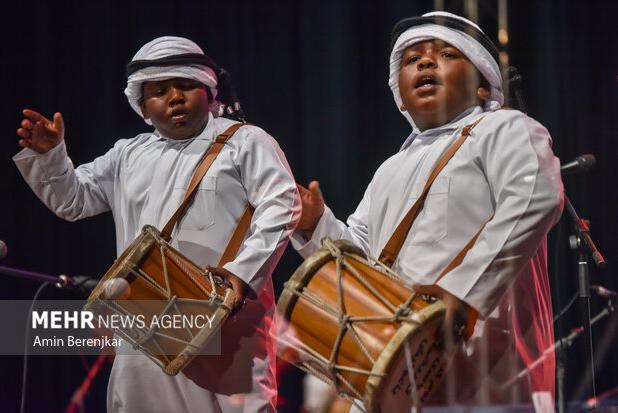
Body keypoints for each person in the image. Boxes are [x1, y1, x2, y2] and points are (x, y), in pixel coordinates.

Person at [293, 11, 563, 411]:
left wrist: (464, 294)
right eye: (410, 58)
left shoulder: (503, 128)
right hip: (396, 372)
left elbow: (534, 198)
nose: (423, 62)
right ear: (398, 93)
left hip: (483, 367)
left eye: (447, 54)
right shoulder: (390, 169)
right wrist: (316, 227)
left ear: (484, 87)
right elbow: (361, 264)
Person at [14, 36, 300, 413]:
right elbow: (73, 200)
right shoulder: (128, 154)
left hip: (224, 327)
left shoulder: (245, 141)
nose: (174, 97)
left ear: (210, 92)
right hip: (144, 329)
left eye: (185, 85)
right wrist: (51, 155)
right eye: (159, 90)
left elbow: (282, 205)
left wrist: (241, 275)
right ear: (143, 106)